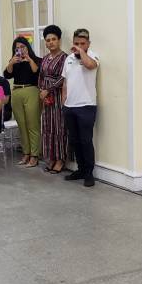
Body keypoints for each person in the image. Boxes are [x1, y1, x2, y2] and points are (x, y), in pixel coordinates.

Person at [62, 28, 99, 187]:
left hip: (87, 106)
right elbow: (65, 82)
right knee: (75, 141)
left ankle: (89, 173)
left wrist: (81, 52)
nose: (78, 46)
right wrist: (64, 102)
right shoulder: (68, 59)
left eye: (82, 44)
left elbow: (91, 65)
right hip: (70, 107)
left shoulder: (93, 55)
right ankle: (81, 169)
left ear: (88, 44)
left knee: (85, 140)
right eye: (76, 43)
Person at [4, 36, 42, 167]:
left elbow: (37, 72)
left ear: (28, 47)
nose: (20, 50)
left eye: (22, 47)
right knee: (22, 125)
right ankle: (26, 153)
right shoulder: (14, 61)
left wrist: (29, 59)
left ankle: (35, 155)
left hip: (31, 91)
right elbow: (7, 75)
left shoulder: (36, 60)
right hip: (17, 92)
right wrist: (11, 63)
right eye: (17, 48)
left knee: (33, 124)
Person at [38, 25, 69, 174]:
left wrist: (48, 90)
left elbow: (63, 78)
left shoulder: (65, 58)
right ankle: (51, 157)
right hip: (46, 98)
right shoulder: (44, 58)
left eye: (53, 39)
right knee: (47, 127)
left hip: (57, 96)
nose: (51, 42)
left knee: (59, 127)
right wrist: (41, 91)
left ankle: (60, 159)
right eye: (48, 40)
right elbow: (41, 76)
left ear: (59, 40)